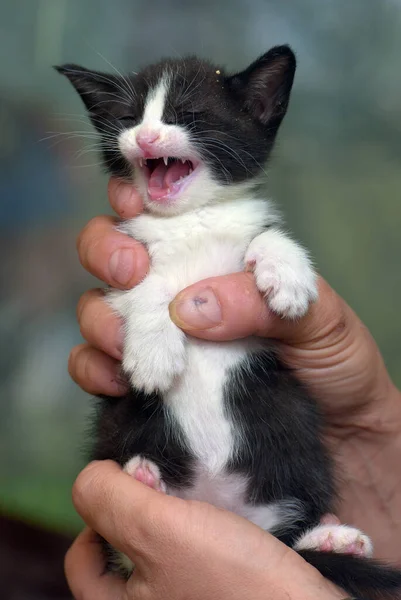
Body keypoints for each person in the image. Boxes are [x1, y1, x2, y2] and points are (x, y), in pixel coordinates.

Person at [66, 178, 401, 600]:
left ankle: (292, 542)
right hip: (171, 466)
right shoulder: (138, 238)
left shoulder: (250, 231)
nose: (149, 138)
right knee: (129, 404)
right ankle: (150, 536)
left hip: (268, 495)